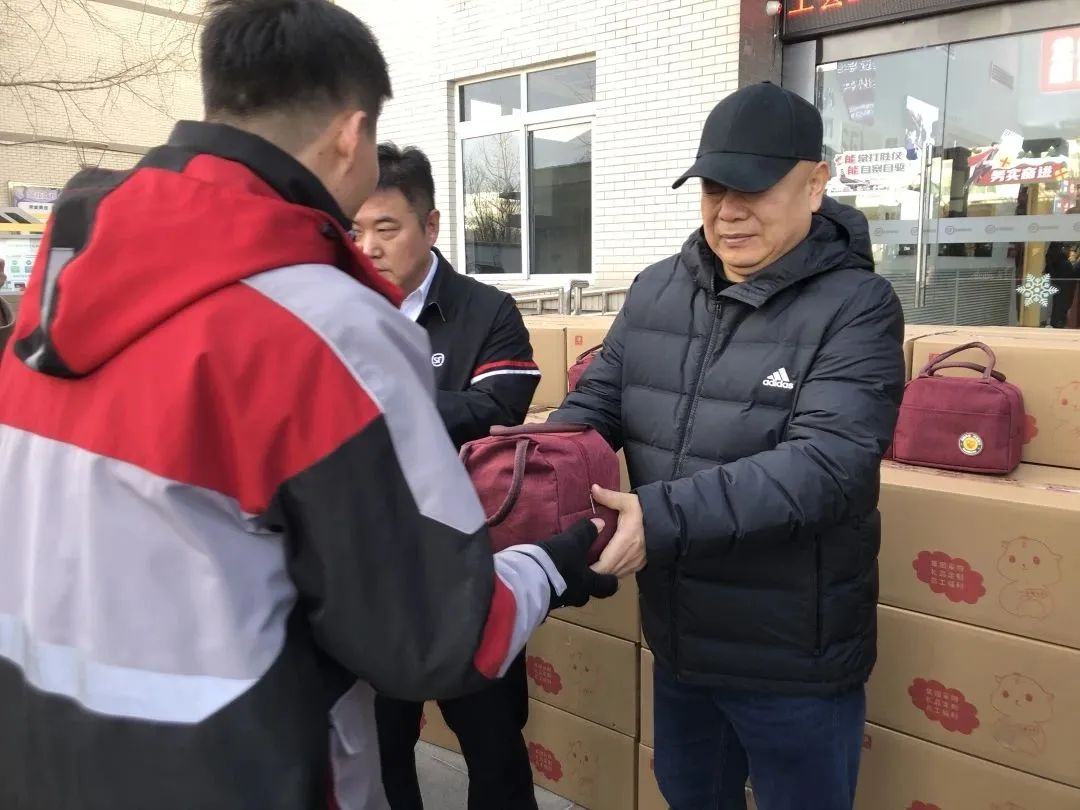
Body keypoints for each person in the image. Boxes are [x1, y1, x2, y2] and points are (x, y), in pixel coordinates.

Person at [0, 2, 616, 809]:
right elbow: (441, 636)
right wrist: (554, 561)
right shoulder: (323, 324)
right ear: (351, 136)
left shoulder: (58, 300)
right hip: (237, 771)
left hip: (41, 753)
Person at [553, 82, 905, 810]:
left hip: (794, 655)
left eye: (753, 188)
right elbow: (598, 403)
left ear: (815, 185)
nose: (728, 210)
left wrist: (659, 518)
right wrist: (528, 465)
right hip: (682, 639)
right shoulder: (656, 291)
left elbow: (829, 464)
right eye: (714, 188)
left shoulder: (858, 307)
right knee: (690, 794)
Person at [354, 144, 541, 810]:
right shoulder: (341, 311)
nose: (368, 248)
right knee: (382, 745)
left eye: (386, 228)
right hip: (369, 572)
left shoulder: (485, 312)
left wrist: (370, 411)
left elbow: (498, 409)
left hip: (470, 569)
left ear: (430, 226)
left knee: (494, 747)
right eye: (354, 229)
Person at [1046, 205, 1079, 329]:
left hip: (1072, 278)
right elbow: (1050, 256)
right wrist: (1054, 276)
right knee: (1061, 310)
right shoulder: (1060, 237)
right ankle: (1059, 326)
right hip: (1063, 279)